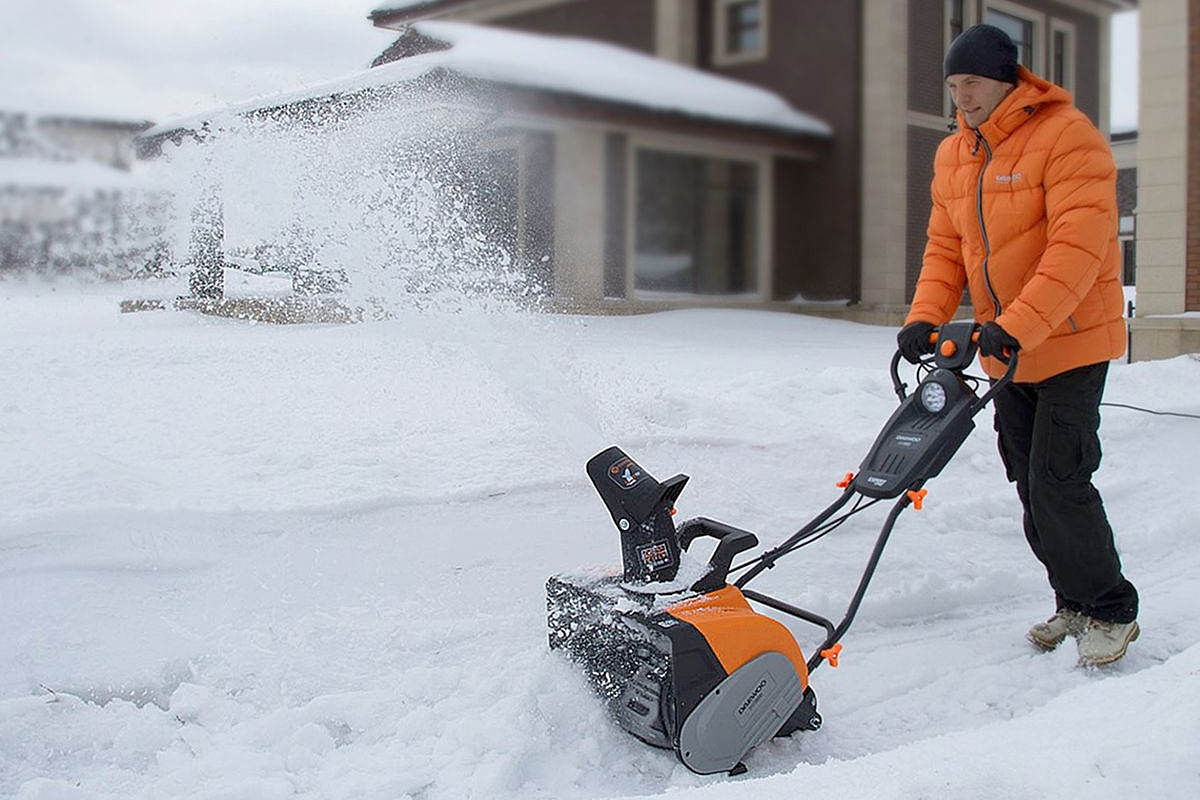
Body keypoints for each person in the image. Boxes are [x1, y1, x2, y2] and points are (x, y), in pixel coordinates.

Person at [897, 24, 1139, 666]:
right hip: (1006, 351)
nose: (962, 97)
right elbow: (946, 248)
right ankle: (1073, 601)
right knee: (1030, 484)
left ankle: (1111, 609)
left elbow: (1077, 249)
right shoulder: (956, 154)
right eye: (952, 86)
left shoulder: (1067, 137)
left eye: (971, 83)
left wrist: (1021, 324)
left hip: (1070, 342)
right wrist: (925, 316)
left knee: (1060, 480)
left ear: (1007, 79)